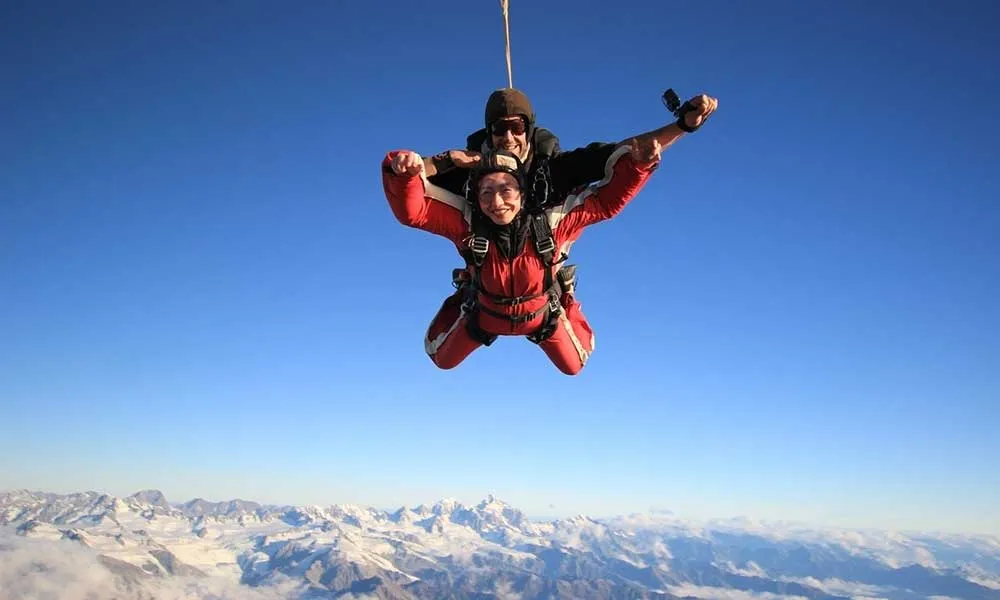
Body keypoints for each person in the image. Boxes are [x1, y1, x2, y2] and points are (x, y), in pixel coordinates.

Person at [380, 93, 717, 374]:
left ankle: (562, 294)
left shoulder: (556, 172)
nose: (508, 137)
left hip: (540, 282)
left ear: (529, 129)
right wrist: (441, 162)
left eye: (517, 127)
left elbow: (621, 160)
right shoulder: (468, 173)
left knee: (574, 365)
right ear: (488, 132)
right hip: (486, 294)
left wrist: (679, 129)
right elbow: (411, 189)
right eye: (499, 129)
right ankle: (468, 292)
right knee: (441, 359)